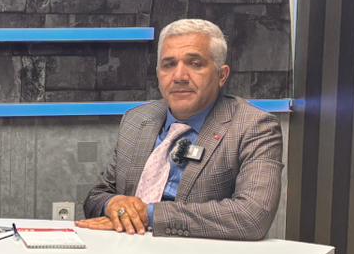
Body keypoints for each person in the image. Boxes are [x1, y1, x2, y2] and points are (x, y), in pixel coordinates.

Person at [81, 18, 282, 241]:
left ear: (221, 75)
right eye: (169, 65)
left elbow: (252, 216)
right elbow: (97, 196)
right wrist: (113, 204)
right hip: (127, 253)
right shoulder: (136, 120)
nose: (179, 77)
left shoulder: (255, 127)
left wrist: (149, 215)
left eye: (195, 64)